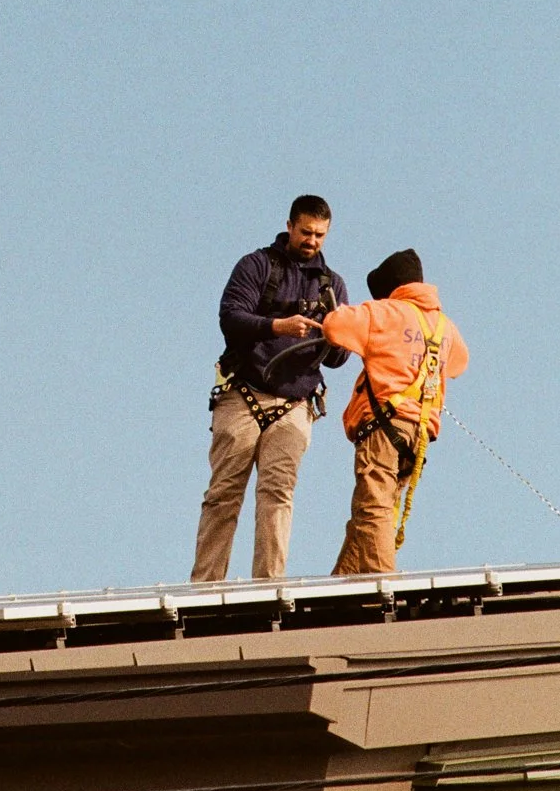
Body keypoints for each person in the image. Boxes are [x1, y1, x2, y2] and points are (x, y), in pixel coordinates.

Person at [191, 196, 351, 582]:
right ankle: (205, 586)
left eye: (320, 235)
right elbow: (231, 317)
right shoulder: (257, 265)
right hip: (244, 394)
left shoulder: (333, 285)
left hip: (295, 403)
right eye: (306, 232)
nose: (312, 241)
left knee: (278, 494)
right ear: (290, 226)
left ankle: (269, 584)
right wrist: (278, 326)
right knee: (223, 495)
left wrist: (335, 336)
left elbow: (339, 359)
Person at [322, 249, 470, 576]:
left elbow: (334, 326)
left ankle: (385, 585)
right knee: (375, 513)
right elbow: (460, 362)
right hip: (418, 436)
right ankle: (340, 588)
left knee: (373, 509)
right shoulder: (445, 327)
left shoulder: (384, 312)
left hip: (383, 429)